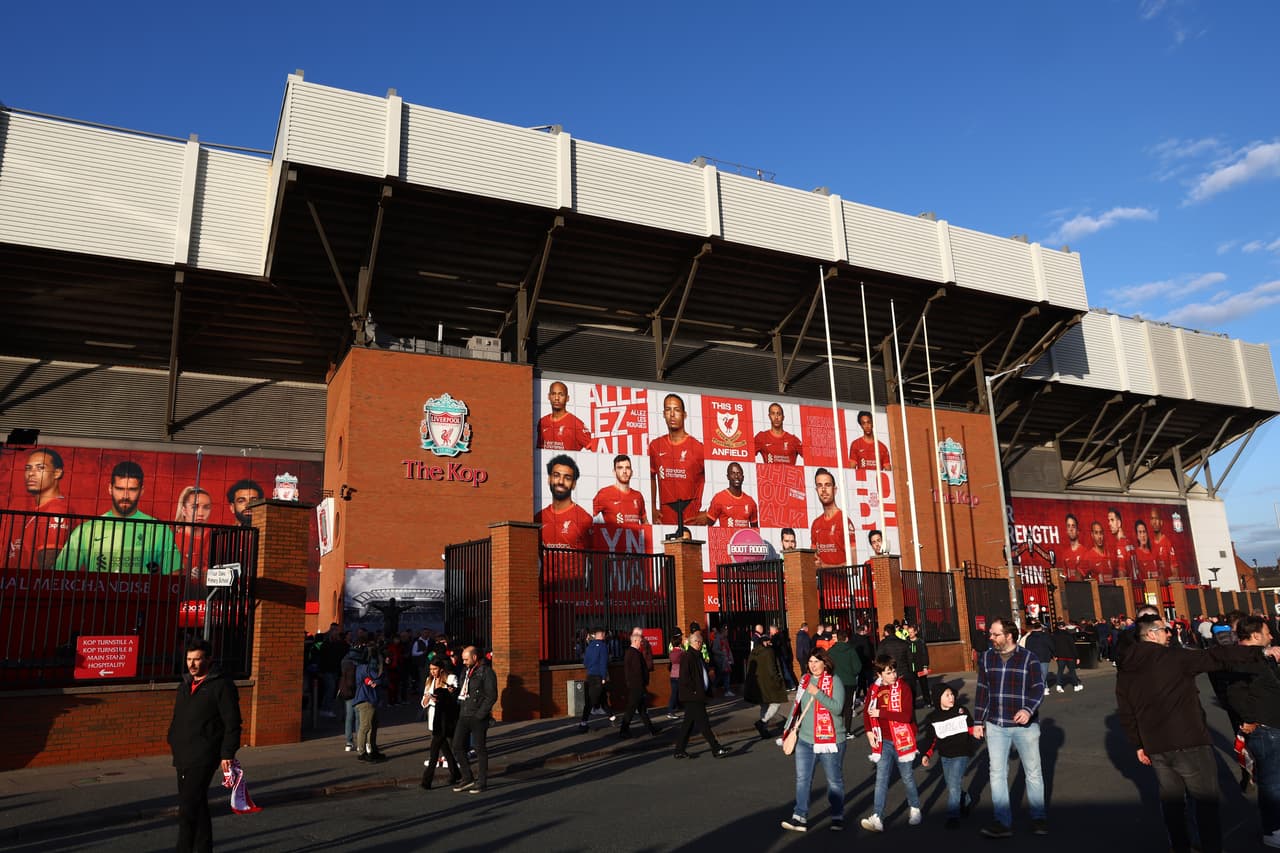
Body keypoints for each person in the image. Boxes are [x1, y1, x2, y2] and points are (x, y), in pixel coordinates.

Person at [1117, 613, 1280, 853]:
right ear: (1151, 634)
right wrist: (1259, 652)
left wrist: (1138, 743)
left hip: (1156, 746)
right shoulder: (1173, 657)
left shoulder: (1127, 668)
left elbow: (1126, 709)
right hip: (1188, 740)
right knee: (1205, 803)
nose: (1169, 633)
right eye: (1164, 629)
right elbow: (1215, 656)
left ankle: (1180, 846)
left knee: (1173, 805)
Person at [973, 617, 1048, 838]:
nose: (991, 638)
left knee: (1033, 772)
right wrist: (978, 721)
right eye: (991, 634)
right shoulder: (987, 658)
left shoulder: (1028, 659)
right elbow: (982, 691)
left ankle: (1038, 818)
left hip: (1025, 725)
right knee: (997, 773)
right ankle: (1002, 821)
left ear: (1009, 635)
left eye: (995, 634)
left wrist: (1027, 709)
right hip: (996, 724)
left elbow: (1038, 688)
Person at [167, 637, 241, 853]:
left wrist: (227, 753)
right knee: (197, 807)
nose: (191, 664)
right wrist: (171, 737)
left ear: (208, 659)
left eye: (197, 659)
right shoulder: (186, 684)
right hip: (182, 753)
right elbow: (178, 716)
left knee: (187, 808)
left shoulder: (221, 685)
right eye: (189, 659)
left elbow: (232, 722)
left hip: (205, 754)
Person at [53, 460, 180, 574]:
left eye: (132, 489)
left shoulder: (158, 530)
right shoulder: (87, 530)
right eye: (119, 489)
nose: (125, 495)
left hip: (139, 600)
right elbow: (60, 574)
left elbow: (174, 576)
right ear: (110, 488)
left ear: (141, 491)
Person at [1225, 615, 1280, 848]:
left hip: (1272, 724)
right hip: (1265, 728)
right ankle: (1273, 829)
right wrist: (1249, 720)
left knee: (1275, 779)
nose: (1271, 636)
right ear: (1256, 635)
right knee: (1271, 782)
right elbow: (1234, 694)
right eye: (1267, 632)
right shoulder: (1242, 661)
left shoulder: (1263, 658)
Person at [780, 648, 847, 832]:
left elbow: (837, 708)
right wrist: (787, 730)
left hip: (831, 740)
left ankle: (837, 815)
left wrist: (817, 692)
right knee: (803, 779)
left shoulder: (835, 681)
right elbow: (796, 707)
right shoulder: (804, 680)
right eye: (810, 662)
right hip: (805, 739)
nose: (813, 665)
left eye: (816, 661)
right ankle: (799, 816)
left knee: (834, 781)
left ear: (825, 663)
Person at [860, 655, 921, 832]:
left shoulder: (904, 688)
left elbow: (906, 715)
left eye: (894, 671)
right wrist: (869, 731)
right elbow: (867, 713)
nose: (893, 675)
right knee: (881, 779)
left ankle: (915, 807)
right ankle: (877, 816)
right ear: (880, 674)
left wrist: (882, 712)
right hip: (883, 740)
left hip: (903, 739)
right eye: (888, 672)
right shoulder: (874, 689)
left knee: (907, 777)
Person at [918, 684, 981, 829]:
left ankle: (953, 816)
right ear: (938, 698)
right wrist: (926, 754)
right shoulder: (933, 718)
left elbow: (970, 727)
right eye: (947, 695)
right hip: (945, 755)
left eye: (952, 694)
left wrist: (977, 731)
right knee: (952, 784)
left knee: (953, 785)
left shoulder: (961, 711)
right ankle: (965, 799)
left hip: (962, 752)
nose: (951, 697)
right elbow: (931, 739)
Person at [7, 447, 76, 569]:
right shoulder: (40, 510)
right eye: (28, 468)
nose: (31, 473)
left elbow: (48, 568)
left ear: (57, 473)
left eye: (40, 468)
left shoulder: (55, 510)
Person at [648, 393, 706, 525]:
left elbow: (719, 477)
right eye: (668, 410)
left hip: (691, 522)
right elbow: (651, 477)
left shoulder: (698, 448)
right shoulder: (655, 446)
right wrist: (651, 507)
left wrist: (708, 514)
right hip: (665, 521)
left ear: (684, 415)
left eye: (677, 410)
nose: (672, 414)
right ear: (663, 414)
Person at [672, 632, 731, 759]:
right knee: (704, 724)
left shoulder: (697, 656)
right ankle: (716, 748)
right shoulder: (688, 657)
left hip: (697, 695)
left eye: (701, 642)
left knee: (688, 725)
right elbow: (685, 678)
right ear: (695, 642)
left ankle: (679, 750)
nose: (701, 644)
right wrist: (694, 692)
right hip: (693, 697)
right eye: (699, 642)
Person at [452, 645, 497, 793]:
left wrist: (480, 714)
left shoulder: (486, 672)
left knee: (479, 749)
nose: (463, 662)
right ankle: (467, 777)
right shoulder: (466, 671)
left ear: (475, 657)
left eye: (466, 659)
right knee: (457, 745)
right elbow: (463, 690)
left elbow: (491, 696)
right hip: (464, 714)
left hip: (478, 716)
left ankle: (482, 781)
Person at [536, 454, 594, 550]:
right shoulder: (539, 518)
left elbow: (595, 558)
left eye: (567, 478)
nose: (561, 481)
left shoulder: (584, 518)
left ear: (574, 484)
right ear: (549, 479)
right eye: (556, 476)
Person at [419, 660, 461, 790]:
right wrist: (427, 700)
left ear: (441, 669)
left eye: (435, 669)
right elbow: (424, 700)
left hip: (446, 719)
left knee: (434, 752)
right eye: (431, 669)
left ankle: (426, 781)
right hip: (434, 718)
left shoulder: (451, 678)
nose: (433, 672)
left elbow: (455, 698)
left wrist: (442, 697)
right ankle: (456, 773)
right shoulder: (429, 680)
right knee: (445, 750)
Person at [618, 627, 659, 738]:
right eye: (640, 642)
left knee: (642, 710)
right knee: (631, 709)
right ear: (635, 641)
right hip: (637, 686)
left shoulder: (628, 652)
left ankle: (652, 729)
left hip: (634, 685)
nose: (641, 644)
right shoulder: (635, 654)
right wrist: (642, 685)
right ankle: (623, 730)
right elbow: (638, 671)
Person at [745, 632, 788, 739]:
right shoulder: (769, 652)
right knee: (776, 704)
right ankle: (762, 722)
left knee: (764, 705)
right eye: (768, 641)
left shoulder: (753, 652)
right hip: (769, 683)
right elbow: (771, 668)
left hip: (757, 684)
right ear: (764, 642)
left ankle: (764, 729)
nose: (770, 643)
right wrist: (778, 681)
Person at [809, 468, 855, 566]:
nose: (824, 489)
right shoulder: (816, 524)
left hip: (842, 582)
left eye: (828, 485)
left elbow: (854, 567)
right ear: (816, 490)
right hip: (822, 582)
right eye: (819, 485)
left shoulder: (844, 521)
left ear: (835, 490)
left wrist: (825, 567)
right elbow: (812, 562)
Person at [592, 454, 648, 527]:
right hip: (614, 538)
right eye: (620, 468)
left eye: (627, 468)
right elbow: (587, 517)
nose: (624, 471)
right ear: (614, 472)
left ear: (632, 472)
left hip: (634, 538)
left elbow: (645, 523)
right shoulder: (604, 493)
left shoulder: (638, 496)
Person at [353, 647, 387, 761]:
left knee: (371, 726)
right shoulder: (365, 668)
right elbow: (378, 678)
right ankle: (362, 752)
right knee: (366, 726)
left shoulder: (360, 668)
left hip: (368, 699)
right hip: (367, 699)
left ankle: (371, 750)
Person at [538, 381, 593, 451]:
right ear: (549, 396)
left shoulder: (575, 423)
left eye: (561, 394)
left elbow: (594, 447)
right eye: (553, 394)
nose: (557, 398)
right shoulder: (543, 421)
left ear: (567, 398)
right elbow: (539, 450)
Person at [174, 486, 214, 582]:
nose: (201, 513)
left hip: (207, 594)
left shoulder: (215, 537)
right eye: (195, 507)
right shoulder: (171, 538)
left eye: (206, 507)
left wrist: (205, 574)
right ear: (184, 510)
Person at [826, 628, 861, 735]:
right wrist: (852, 674)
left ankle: (837, 728)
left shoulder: (831, 651)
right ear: (846, 639)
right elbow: (857, 667)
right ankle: (848, 730)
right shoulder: (851, 651)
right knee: (848, 706)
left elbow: (827, 665)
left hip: (835, 682)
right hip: (849, 681)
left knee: (836, 706)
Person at [705, 462, 758, 528]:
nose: (736, 476)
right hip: (726, 538)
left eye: (739, 473)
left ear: (743, 477)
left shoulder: (750, 502)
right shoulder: (719, 498)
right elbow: (708, 525)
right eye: (733, 473)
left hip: (744, 538)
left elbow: (755, 530)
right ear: (728, 477)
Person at [579, 627, 610, 731]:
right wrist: (604, 677)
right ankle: (583, 723)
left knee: (601, 699)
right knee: (591, 702)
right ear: (601, 635)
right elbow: (603, 663)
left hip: (590, 676)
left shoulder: (589, 647)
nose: (605, 636)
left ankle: (613, 718)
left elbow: (585, 663)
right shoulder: (603, 646)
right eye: (604, 634)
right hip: (598, 676)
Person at [876, 623, 914, 706]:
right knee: (905, 696)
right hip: (904, 672)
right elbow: (910, 659)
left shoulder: (883, 644)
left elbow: (879, 659)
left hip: (889, 673)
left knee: (892, 697)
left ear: (886, 632)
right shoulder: (904, 643)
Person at [1024, 621, 1056, 695]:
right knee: (1043, 673)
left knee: (1039, 673)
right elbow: (1051, 645)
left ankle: (1045, 687)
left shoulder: (1029, 637)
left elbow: (1027, 648)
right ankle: (1041, 688)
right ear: (1040, 628)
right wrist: (1054, 654)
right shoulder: (1045, 636)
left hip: (1033, 657)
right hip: (1044, 656)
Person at [1052, 620, 1083, 693]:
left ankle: (1059, 685)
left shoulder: (1054, 635)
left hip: (1060, 656)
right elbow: (1073, 647)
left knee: (1060, 671)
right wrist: (1077, 657)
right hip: (1069, 656)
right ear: (1064, 627)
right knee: (1072, 671)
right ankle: (1075, 685)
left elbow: (1053, 646)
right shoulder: (1068, 635)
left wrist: (1054, 655)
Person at [1148, 506, 1180, 578]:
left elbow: (1175, 574)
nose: (1154, 522)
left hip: (1166, 587)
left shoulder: (1168, 543)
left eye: (1156, 518)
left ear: (1161, 522)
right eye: (1152, 519)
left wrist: (1164, 581)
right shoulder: (1149, 544)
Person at [906, 623, 932, 706]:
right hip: (910, 668)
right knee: (911, 687)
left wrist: (925, 666)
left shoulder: (920, 642)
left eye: (911, 632)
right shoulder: (906, 642)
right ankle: (912, 704)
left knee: (924, 685)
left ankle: (928, 702)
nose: (910, 634)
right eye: (909, 632)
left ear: (915, 632)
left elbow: (925, 655)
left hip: (920, 667)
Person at [1107, 507, 1136, 579]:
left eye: (1112, 520)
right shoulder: (1129, 542)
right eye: (1108, 521)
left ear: (1119, 523)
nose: (1109, 523)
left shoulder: (1120, 545)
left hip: (1128, 587)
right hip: (1137, 587)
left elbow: (1122, 573)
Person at [771, 624, 797, 690]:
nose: (770, 631)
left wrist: (771, 643)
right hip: (785, 655)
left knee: (784, 671)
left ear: (775, 630)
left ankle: (791, 685)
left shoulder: (777, 636)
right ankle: (789, 685)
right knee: (786, 670)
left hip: (781, 655)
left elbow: (776, 645)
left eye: (771, 630)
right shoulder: (782, 635)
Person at [709, 627, 734, 697]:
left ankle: (726, 690)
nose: (727, 633)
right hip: (720, 660)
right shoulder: (718, 639)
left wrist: (730, 658)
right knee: (721, 675)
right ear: (723, 632)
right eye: (726, 631)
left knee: (725, 674)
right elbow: (714, 650)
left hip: (725, 660)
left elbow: (728, 650)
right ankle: (716, 688)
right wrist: (722, 653)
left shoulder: (725, 639)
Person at [1061, 513, 1086, 578]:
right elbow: (1065, 577)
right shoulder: (1065, 554)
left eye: (1073, 526)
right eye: (1068, 526)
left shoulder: (1085, 552)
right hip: (1069, 588)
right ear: (1066, 530)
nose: (1071, 529)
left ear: (1077, 530)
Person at [666, 630, 684, 719]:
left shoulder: (671, 652)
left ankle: (676, 707)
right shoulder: (681, 652)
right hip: (679, 675)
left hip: (673, 675)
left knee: (675, 693)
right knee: (676, 694)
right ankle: (670, 711)